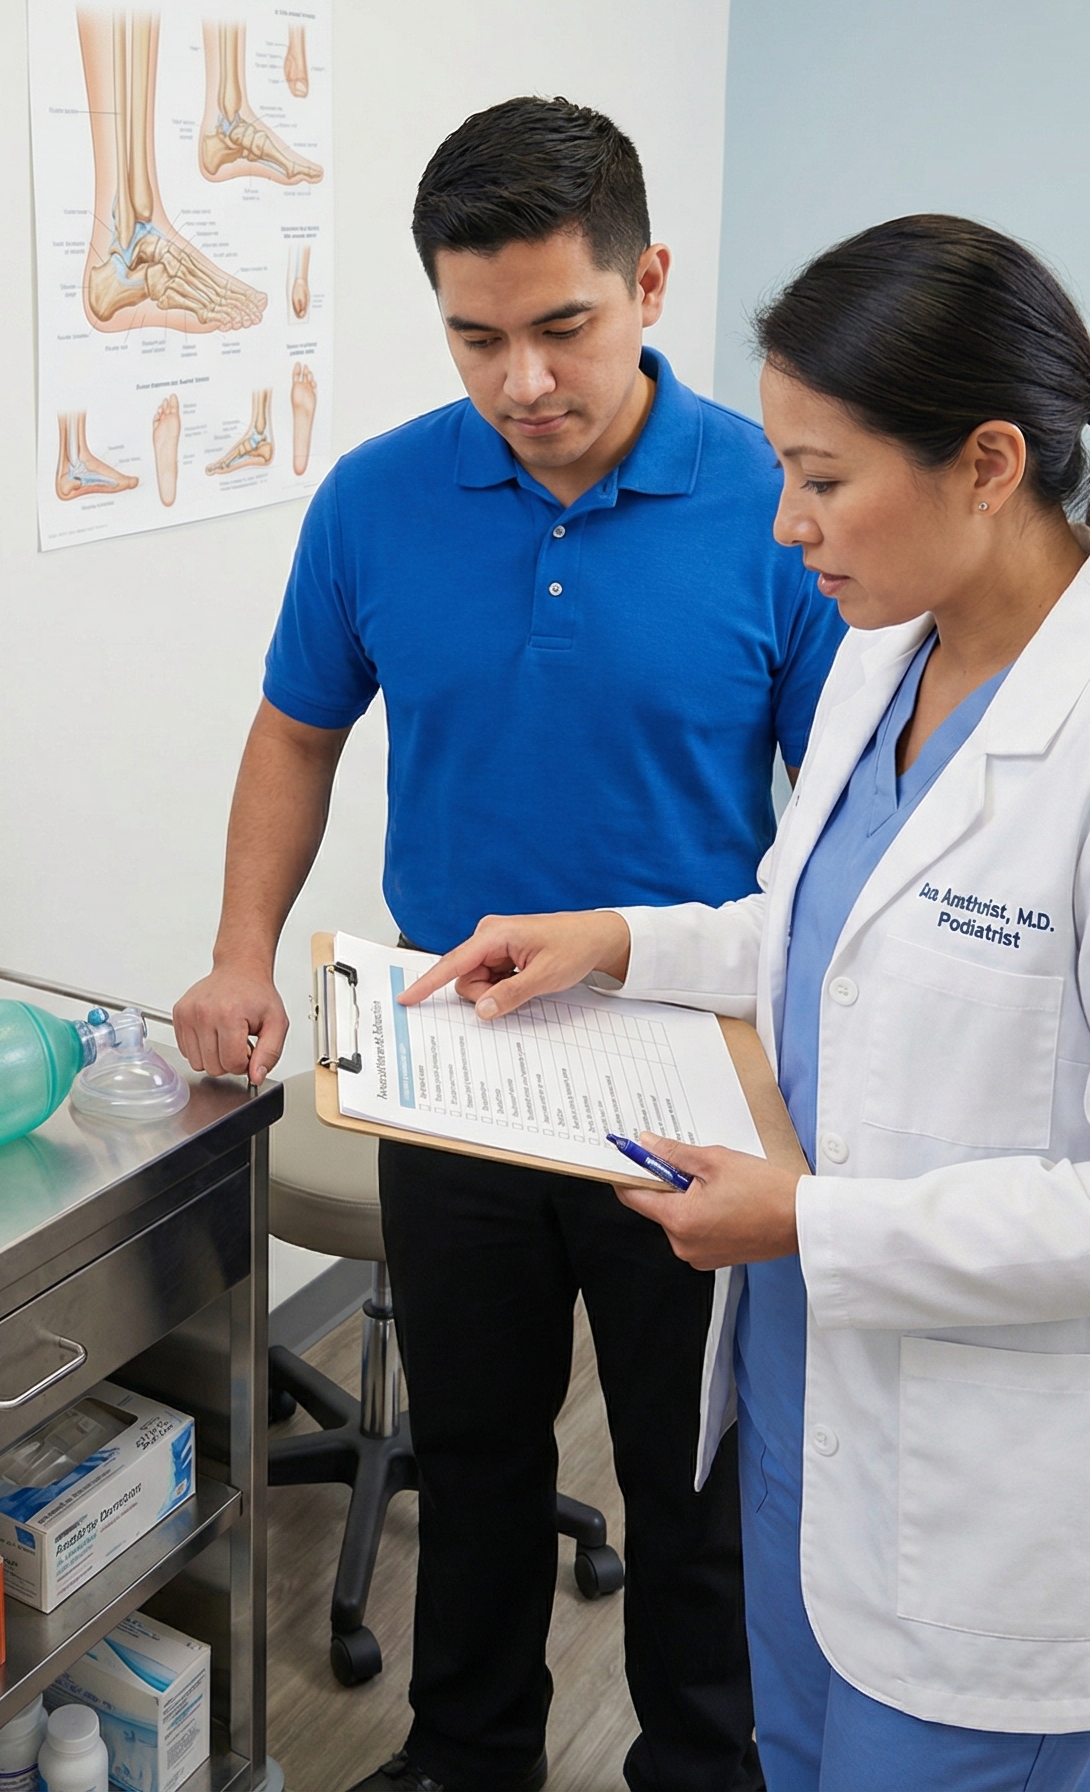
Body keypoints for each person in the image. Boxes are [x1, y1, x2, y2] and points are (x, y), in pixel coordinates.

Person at [400, 215, 1090, 1792]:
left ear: (989, 463)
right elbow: (833, 937)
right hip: (817, 1435)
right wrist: (615, 940)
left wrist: (808, 1222)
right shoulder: (895, 661)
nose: (786, 527)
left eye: (823, 479)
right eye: (784, 476)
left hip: (991, 1513)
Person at [174, 97, 843, 1792]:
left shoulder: (782, 508)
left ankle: (702, 1764)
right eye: (479, 339)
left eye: (564, 329)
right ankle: (469, 1757)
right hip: (457, 1052)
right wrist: (243, 950)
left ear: (650, 285)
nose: (523, 384)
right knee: (470, 1451)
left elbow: (855, 832)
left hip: (686, 1068)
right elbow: (295, 732)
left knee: (694, 1477)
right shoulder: (381, 499)